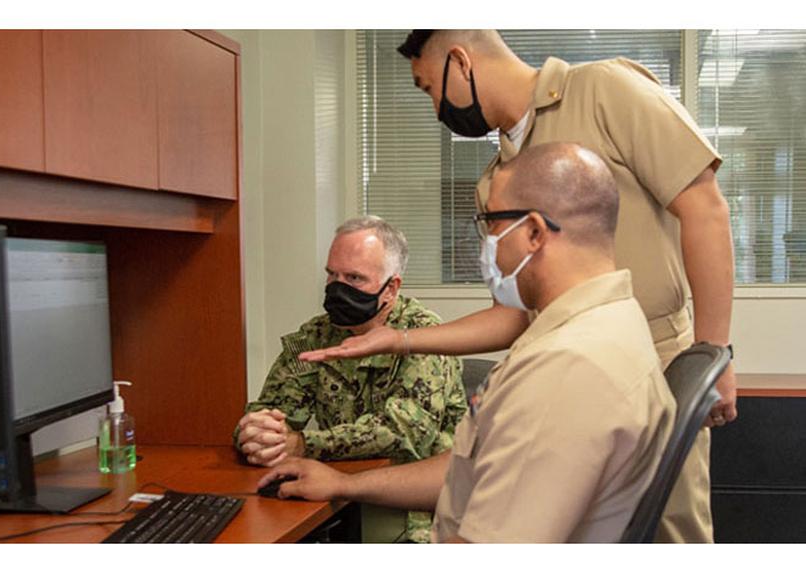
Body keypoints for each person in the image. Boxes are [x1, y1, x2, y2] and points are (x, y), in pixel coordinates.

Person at [303, 29, 736, 543]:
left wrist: (714, 352)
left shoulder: (606, 90)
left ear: (459, 62)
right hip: (590, 348)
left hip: (647, 357)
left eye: (428, 89)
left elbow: (704, 207)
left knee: (669, 535)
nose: (436, 108)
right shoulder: (501, 176)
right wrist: (398, 338)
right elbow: (512, 314)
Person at [263, 143, 676, 543]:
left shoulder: (567, 366)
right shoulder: (606, 326)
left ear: (533, 232)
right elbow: (471, 470)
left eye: (491, 224)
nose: (486, 245)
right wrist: (344, 484)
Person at [234, 215, 466, 543]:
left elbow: (402, 434)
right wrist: (257, 434)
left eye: (354, 278)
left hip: (416, 511)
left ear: (391, 288)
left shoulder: (423, 335)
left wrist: (302, 444)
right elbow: (270, 409)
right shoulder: (316, 335)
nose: (338, 288)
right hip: (336, 499)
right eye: (332, 275)